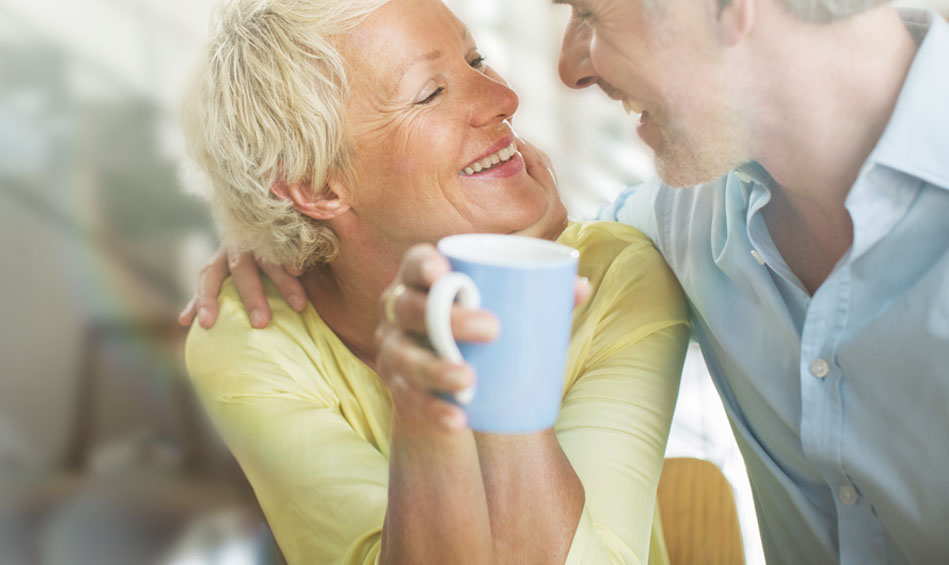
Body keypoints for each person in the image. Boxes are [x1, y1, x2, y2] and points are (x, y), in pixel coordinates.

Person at [185, 0, 949, 562]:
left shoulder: (640, 257)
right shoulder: (694, 226)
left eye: (588, 12)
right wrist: (278, 225)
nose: (544, 81)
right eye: (431, 89)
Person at [180, 0, 690, 563]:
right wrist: (427, 425)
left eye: (477, 60)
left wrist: (507, 298)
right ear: (318, 187)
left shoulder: (613, 278)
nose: (505, 99)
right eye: (429, 93)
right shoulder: (251, 337)